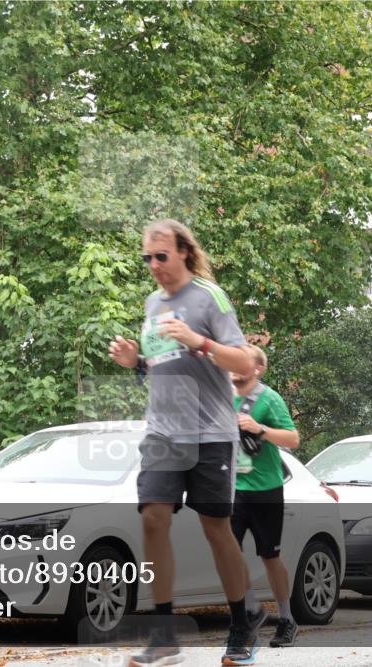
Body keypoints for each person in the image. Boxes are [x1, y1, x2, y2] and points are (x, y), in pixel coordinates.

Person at [108, 219, 263, 667]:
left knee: (217, 528)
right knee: (153, 518)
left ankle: (243, 620)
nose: (154, 265)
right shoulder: (152, 303)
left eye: (162, 256)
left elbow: (242, 361)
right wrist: (135, 361)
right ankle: (163, 634)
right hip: (163, 431)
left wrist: (200, 341)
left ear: (184, 254)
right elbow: (162, 363)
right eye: (148, 258)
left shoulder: (209, 297)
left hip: (210, 432)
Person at [231, 344, 301, 649]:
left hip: (265, 489)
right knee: (227, 552)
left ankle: (286, 619)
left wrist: (259, 429)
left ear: (256, 369)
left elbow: (293, 439)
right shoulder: (223, 396)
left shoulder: (269, 398)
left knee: (269, 555)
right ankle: (248, 612)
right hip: (233, 489)